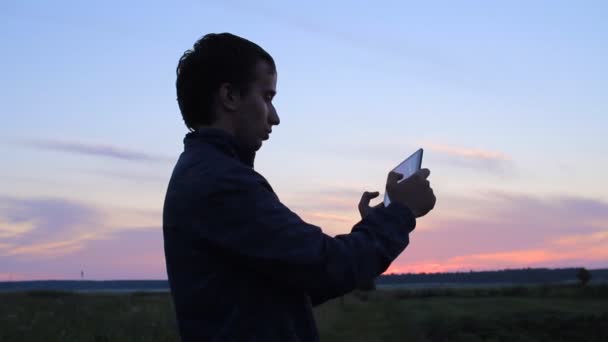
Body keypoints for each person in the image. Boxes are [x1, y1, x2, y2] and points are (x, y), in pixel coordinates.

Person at [162, 32, 436, 342]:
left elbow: (297, 276)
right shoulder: (221, 184)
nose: (275, 117)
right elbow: (325, 268)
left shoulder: (208, 174)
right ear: (230, 96)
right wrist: (400, 213)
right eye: (267, 97)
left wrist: (378, 223)